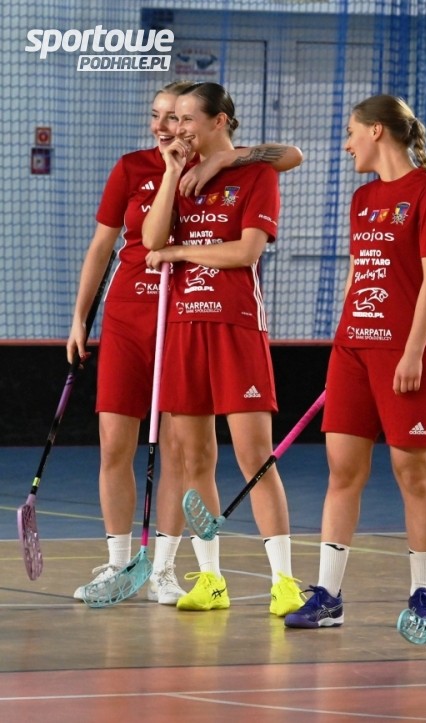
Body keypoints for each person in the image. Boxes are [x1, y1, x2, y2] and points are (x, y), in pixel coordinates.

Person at [67, 80, 303, 606]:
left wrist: (220, 160)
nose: (167, 127)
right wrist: (79, 318)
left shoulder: (236, 170)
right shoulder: (145, 170)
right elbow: (127, 243)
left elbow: (289, 158)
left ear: (209, 121)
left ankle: (179, 569)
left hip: (212, 322)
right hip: (149, 320)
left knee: (216, 453)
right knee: (138, 446)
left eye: (178, 117)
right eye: (162, 116)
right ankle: (137, 565)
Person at [284, 94, 426, 629]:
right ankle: (328, 596)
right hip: (353, 352)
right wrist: (345, 345)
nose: (346, 144)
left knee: (413, 472)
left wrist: (412, 352)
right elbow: (359, 272)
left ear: (377, 131)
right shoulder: (362, 199)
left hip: (407, 353)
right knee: (342, 471)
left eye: (351, 132)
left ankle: (423, 594)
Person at [142, 81, 303, 616]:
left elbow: (244, 252)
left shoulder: (256, 174)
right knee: (193, 460)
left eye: (188, 118)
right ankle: (210, 579)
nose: (178, 128)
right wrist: (171, 174)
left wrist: (181, 252)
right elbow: (151, 240)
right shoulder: (179, 176)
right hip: (184, 327)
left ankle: (284, 581)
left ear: (219, 121)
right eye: (175, 119)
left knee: (255, 457)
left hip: (236, 326)